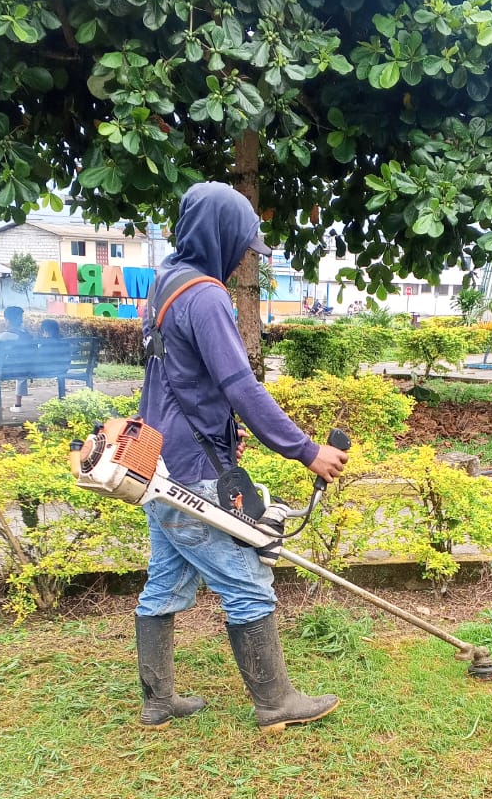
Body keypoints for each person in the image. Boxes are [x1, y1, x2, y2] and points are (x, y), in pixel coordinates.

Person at [136, 181, 348, 733]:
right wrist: (307, 450)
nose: (243, 259)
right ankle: (276, 702)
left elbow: (180, 380)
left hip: (153, 459)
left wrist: (221, 431)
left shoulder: (165, 283)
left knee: (165, 581)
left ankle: (159, 701)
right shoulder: (206, 296)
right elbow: (241, 387)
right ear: (221, 236)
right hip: (193, 470)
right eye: (242, 246)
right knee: (246, 582)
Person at [0, 305, 34, 412]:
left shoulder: (5, 335)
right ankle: (18, 405)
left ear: (7, 320)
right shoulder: (26, 334)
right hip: (28, 369)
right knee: (22, 366)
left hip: (8, 370)